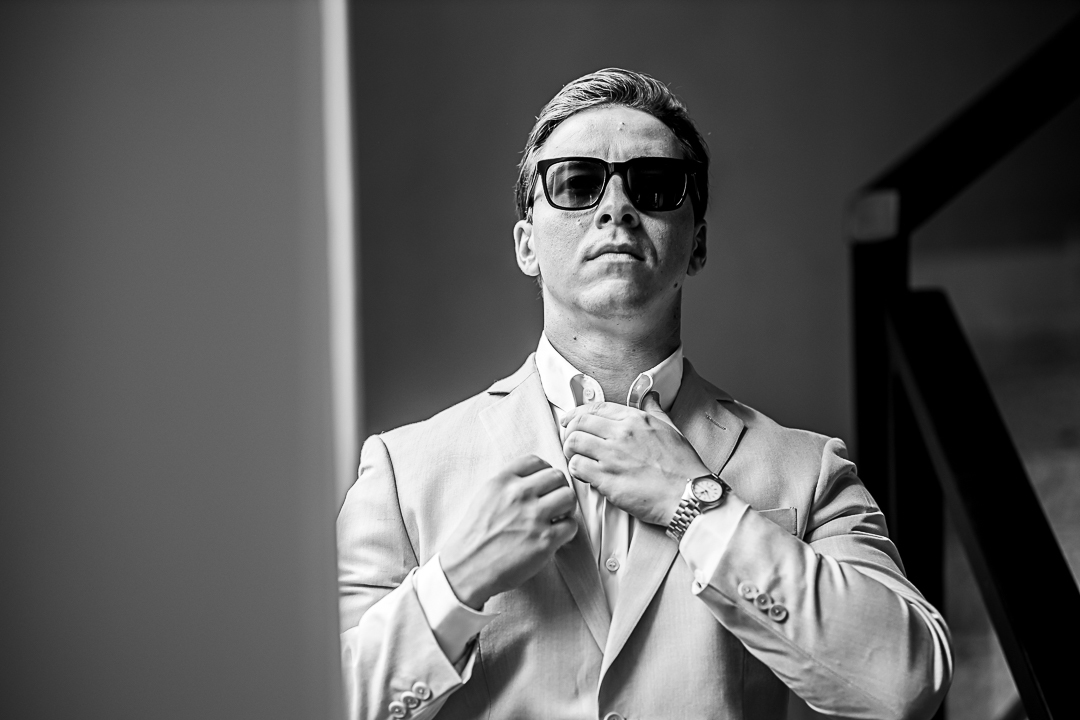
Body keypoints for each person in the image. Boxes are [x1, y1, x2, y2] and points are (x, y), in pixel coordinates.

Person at [338, 68, 952, 720]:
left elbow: (906, 682)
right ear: (527, 245)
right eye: (577, 183)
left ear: (697, 245)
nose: (616, 208)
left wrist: (700, 510)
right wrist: (456, 580)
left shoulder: (810, 471)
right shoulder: (403, 472)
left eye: (654, 186)